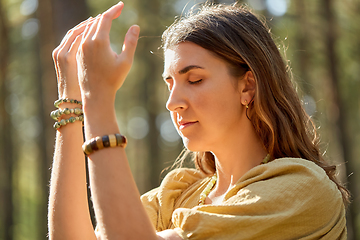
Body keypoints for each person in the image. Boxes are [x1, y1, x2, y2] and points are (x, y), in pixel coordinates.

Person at [48, 1, 349, 239]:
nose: (172, 102)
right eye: (170, 84)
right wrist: (72, 103)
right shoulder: (178, 194)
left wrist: (98, 99)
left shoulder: (303, 189)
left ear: (247, 86)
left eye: (194, 79)